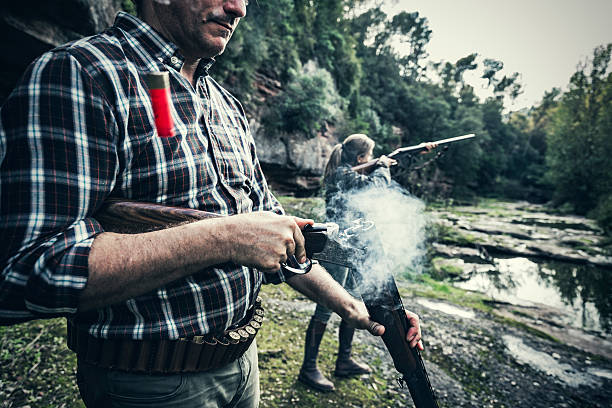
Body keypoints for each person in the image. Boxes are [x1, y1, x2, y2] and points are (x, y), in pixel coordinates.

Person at [0, 2, 423, 407]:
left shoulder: (226, 104)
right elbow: (23, 271)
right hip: (149, 383)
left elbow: (279, 231)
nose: (239, 9)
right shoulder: (80, 74)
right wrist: (222, 238)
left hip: (242, 364)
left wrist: (353, 306)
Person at [298, 134, 433, 392]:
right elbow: (376, 187)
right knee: (326, 308)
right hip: (337, 249)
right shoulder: (343, 175)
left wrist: (408, 157)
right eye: (369, 157)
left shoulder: (351, 172)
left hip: (354, 248)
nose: (371, 161)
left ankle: (344, 361)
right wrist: (382, 166)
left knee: (353, 302)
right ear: (361, 158)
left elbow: (382, 176)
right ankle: (308, 368)